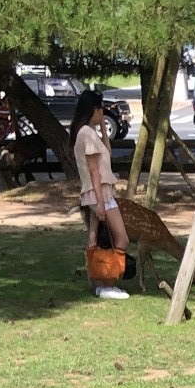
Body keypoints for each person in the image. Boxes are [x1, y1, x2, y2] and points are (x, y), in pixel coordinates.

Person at [70, 87, 129, 300]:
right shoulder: (86, 133)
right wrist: (102, 203)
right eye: (100, 109)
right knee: (120, 238)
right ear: (93, 109)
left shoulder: (86, 132)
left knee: (95, 237)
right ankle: (108, 282)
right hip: (100, 194)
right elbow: (94, 170)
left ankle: (98, 282)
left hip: (95, 194)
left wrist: (104, 127)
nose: (101, 113)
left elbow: (107, 152)